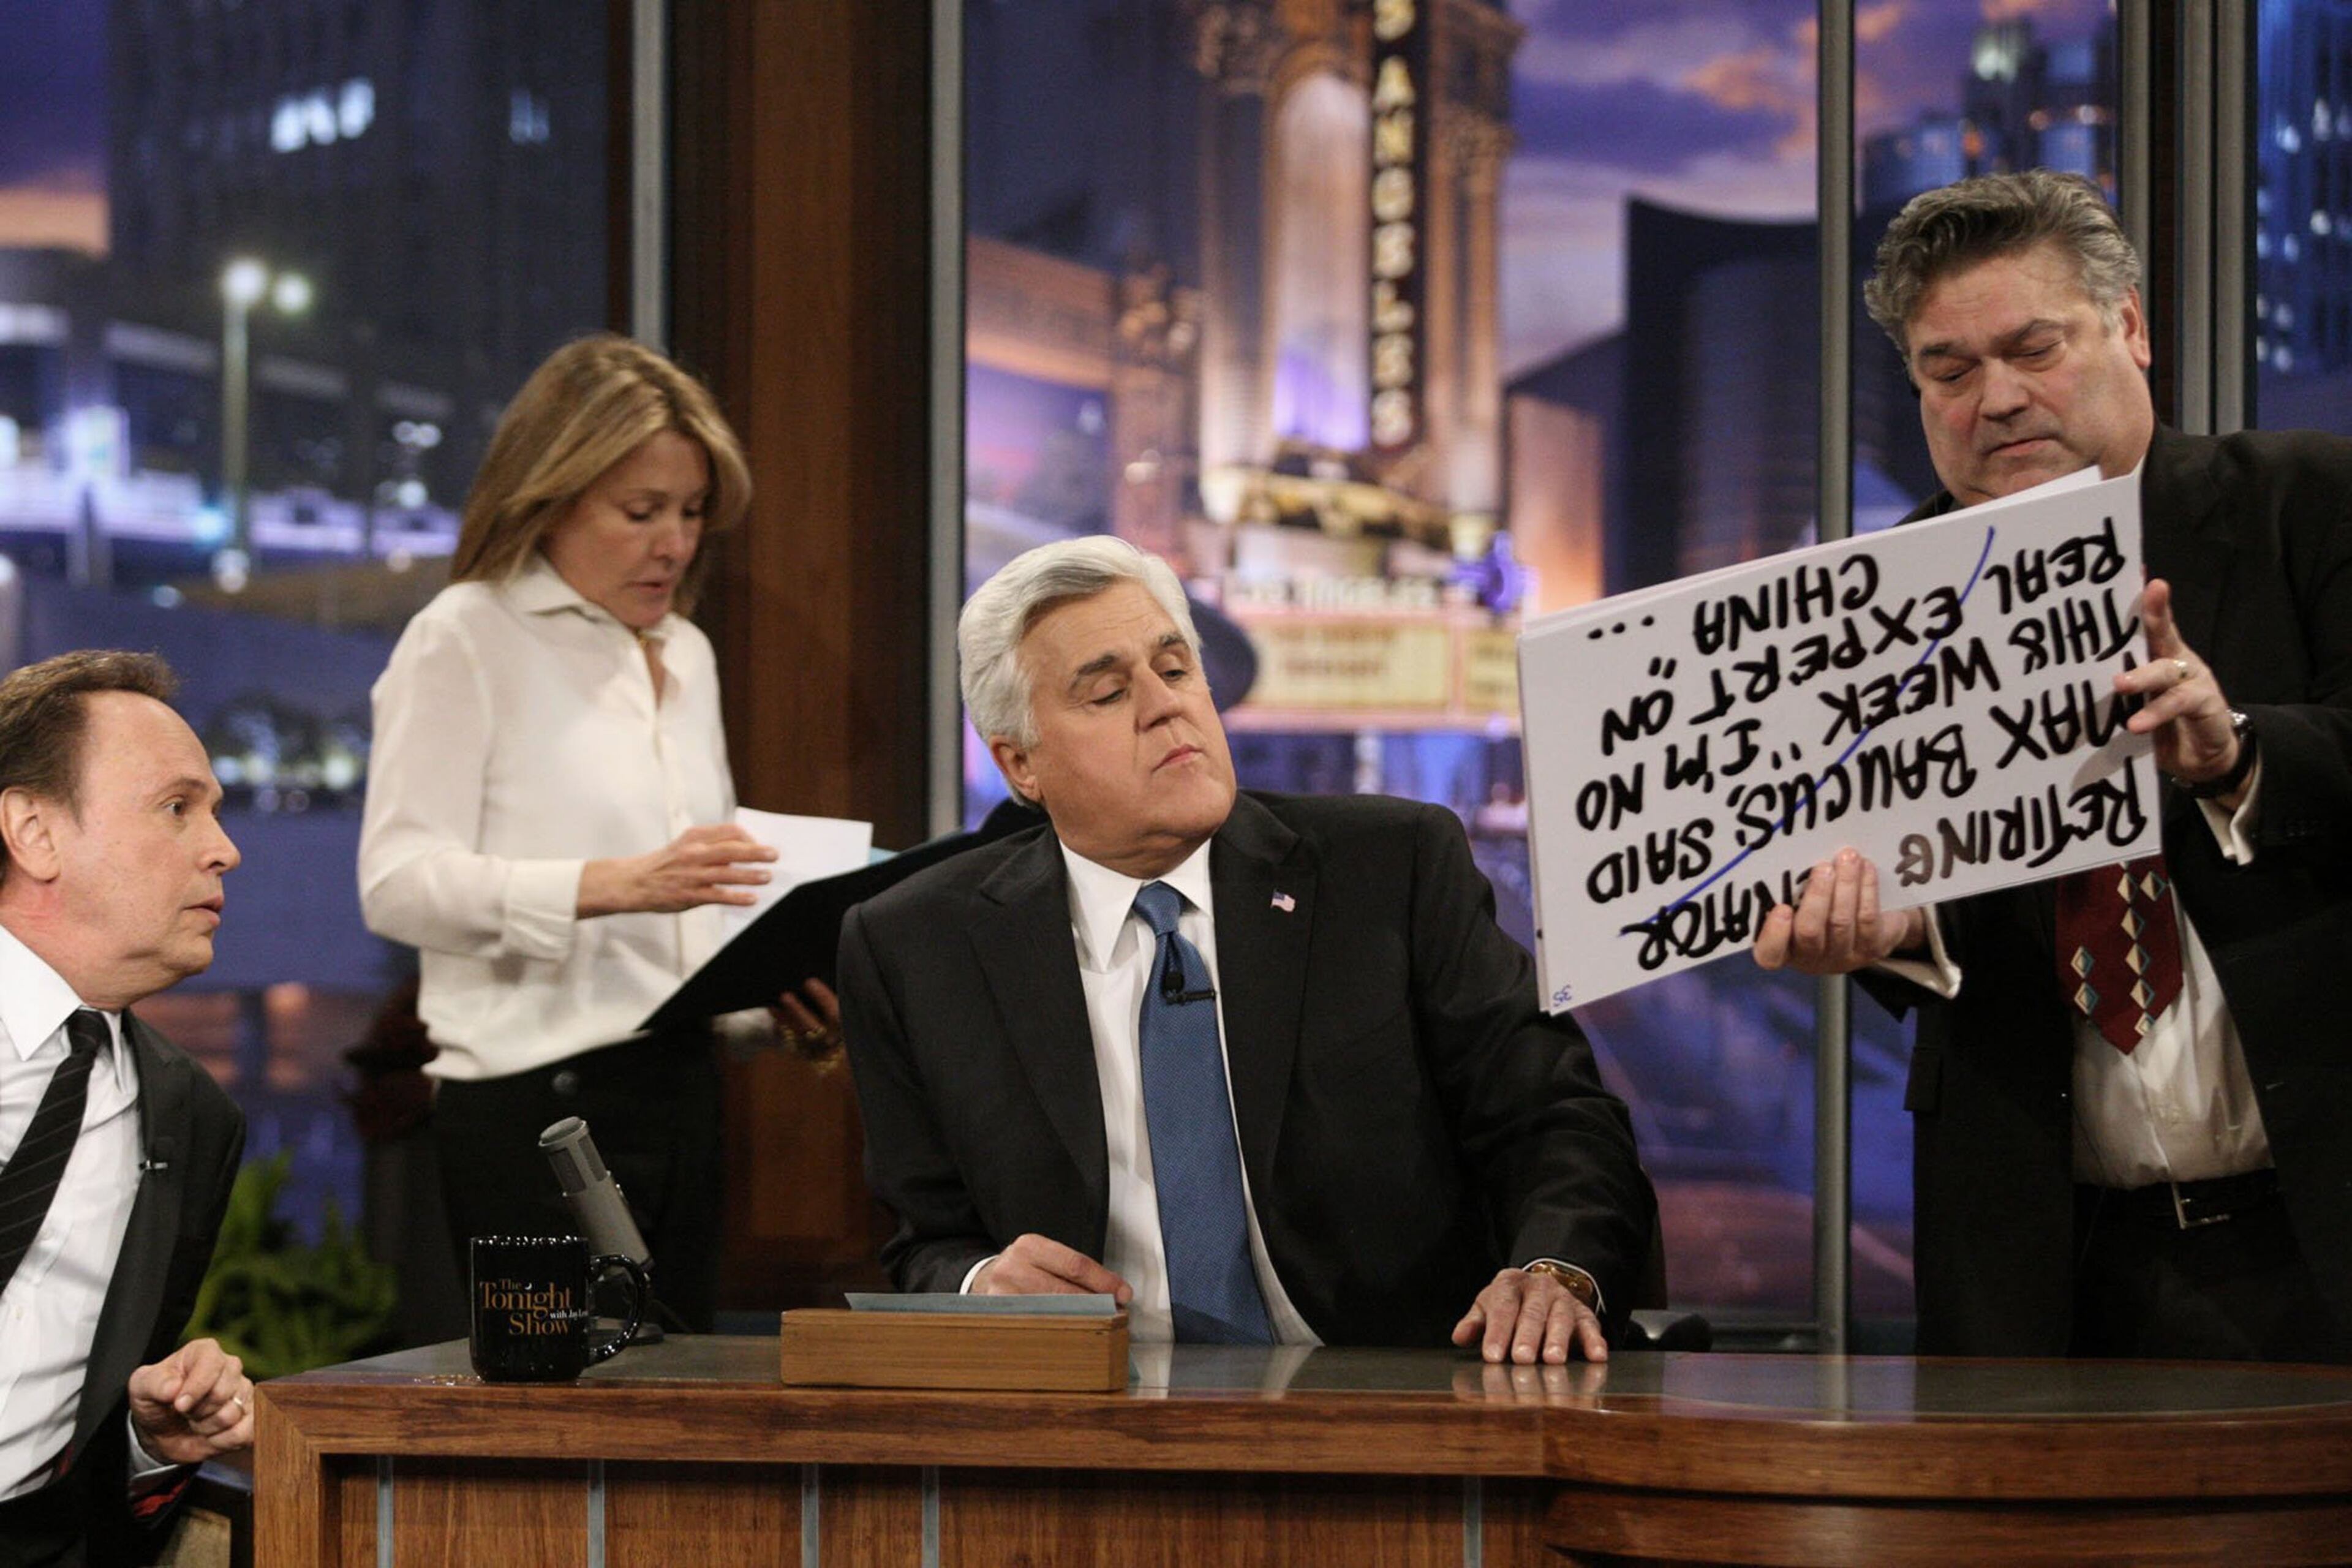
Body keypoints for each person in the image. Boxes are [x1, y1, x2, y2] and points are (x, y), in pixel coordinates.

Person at [1755, 170, 2352, 1361]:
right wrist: (1883, 938)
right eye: (1950, 370)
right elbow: (1924, 918)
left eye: (2035, 347)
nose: (2001, 399)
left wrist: (2237, 756)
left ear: (2130, 326)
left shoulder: (2309, 502)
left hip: (2320, 1229)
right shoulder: (1872, 613)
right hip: (2039, 1268)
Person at [840, 537, 1654, 1362]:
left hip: (1394, 1399)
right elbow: (926, 1241)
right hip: (1093, 1421)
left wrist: (1557, 1271)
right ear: (1020, 764)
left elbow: (1556, 1119)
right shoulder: (914, 945)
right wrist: (982, 1285)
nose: (1167, 707)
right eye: (1110, 692)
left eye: (1176, 668)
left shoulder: (1391, 868)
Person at [358, 335, 832, 1332]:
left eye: (694, 512)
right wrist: (613, 884)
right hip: (532, 1108)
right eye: (641, 512)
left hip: (680, 1088)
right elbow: (397, 884)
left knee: (677, 1433)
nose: (676, 543)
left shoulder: (688, 654)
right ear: (551, 498)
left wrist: (768, 1002)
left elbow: (687, 905)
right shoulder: (465, 636)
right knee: (559, 1440)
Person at [0, 651, 253, 1566]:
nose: (224, 847)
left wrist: (151, 1444)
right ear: (35, 832)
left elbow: (94, 1457)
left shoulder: (192, 1118)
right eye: (177, 807)